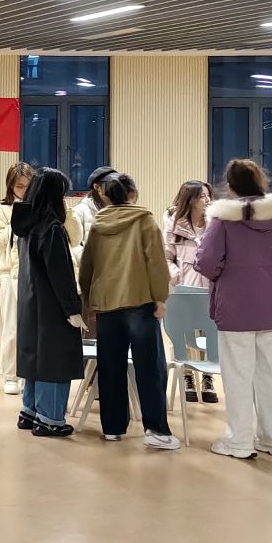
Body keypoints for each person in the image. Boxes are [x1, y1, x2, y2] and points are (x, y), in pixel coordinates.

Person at [195, 158, 272, 461]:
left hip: (235, 307)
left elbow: (206, 261)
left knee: (238, 375)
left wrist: (228, 274)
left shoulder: (223, 221)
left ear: (230, 186)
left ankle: (239, 441)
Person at [78, 171, 179, 449]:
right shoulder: (144, 220)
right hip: (139, 302)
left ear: (106, 196)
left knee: (110, 367)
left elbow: (87, 266)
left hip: (106, 305)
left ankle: (112, 428)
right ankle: (156, 430)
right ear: (133, 194)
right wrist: (160, 298)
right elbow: (156, 262)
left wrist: (91, 300)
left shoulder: (98, 224)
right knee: (150, 367)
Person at [13, 166, 83, 439]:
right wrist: (72, 310)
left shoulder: (27, 225)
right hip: (51, 307)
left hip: (31, 303)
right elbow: (61, 274)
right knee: (54, 361)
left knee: (36, 359)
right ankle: (50, 419)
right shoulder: (51, 228)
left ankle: (29, 411)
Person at [164, 178, 217, 403]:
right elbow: (166, 257)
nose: (207, 200)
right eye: (202, 196)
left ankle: (207, 377)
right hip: (183, 290)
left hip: (211, 289)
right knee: (185, 333)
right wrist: (178, 277)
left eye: (208, 196)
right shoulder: (173, 222)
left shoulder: (216, 223)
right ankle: (187, 376)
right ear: (190, 200)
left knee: (209, 333)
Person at [0, 162, 32, 396]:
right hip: (9, 273)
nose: (23, 190)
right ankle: (10, 375)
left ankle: (29, 374)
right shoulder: (2, 209)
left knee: (32, 326)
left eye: (27, 186)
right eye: (19, 186)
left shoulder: (38, 206)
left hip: (34, 273)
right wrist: (16, 222)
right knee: (12, 326)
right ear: (11, 187)